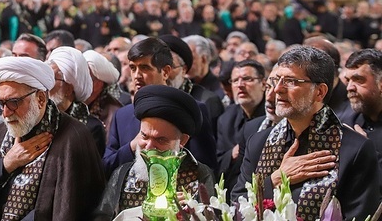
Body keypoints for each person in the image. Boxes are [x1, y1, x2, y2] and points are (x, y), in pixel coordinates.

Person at [232, 46, 380, 220]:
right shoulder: (258, 141)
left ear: (319, 92)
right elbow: (236, 206)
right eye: (277, 80)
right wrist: (275, 181)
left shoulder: (355, 149)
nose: (277, 90)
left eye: (291, 81)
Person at [0, 56, 105, 220]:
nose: (5, 113)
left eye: (13, 102)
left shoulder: (74, 137)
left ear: (40, 99)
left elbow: (74, 207)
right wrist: (6, 165)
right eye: (2, 104)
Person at [93, 85, 214, 220]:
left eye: (161, 140)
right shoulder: (123, 174)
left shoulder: (200, 176)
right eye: (144, 136)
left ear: (183, 140)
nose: (149, 146)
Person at [104, 37, 217, 176]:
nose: (137, 75)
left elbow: (206, 170)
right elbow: (107, 167)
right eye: (133, 68)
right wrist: (132, 146)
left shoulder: (192, 111)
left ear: (165, 71)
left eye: (145, 68)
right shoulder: (122, 116)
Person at [217, 59, 265, 197]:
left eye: (247, 79)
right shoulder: (226, 118)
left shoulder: (273, 115)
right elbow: (218, 162)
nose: (240, 85)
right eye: (235, 80)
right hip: (233, 191)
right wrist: (233, 154)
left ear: (263, 84)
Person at [47, 46, 106, 155]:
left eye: (52, 78)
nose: (46, 84)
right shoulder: (40, 120)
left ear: (69, 89)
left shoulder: (91, 128)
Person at [344, 49, 382, 185]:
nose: (349, 87)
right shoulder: (346, 123)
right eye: (347, 80)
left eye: (358, 80)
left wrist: (367, 152)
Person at [83, 49, 122, 138]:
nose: (79, 82)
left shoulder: (114, 113)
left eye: (85, 78)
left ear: (98, 84)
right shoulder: (73, 100)